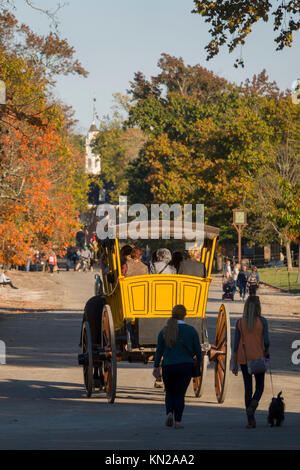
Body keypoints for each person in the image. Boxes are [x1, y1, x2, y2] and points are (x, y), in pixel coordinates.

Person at [153, 304, 202, 429]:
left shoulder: (164, 331)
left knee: (169, 392)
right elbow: (198, 351)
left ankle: (169, 413)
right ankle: (178, 422)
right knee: (180, 394)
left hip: (168, 366)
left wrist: (156, 367)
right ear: (185, 315)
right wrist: (199, 363)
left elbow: (159, 351)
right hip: (185, 366)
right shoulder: (191, 330)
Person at [232, 296, 270, 428]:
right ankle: (254, 404)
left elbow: (235, 344)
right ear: (258, 306)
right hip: (258, 357)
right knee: (260, 386)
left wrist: (234, 363)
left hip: (244, 358)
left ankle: (250, 420)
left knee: (248, 388)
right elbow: (266, 342)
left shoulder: (240, 322)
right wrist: (267, 352)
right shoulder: (262, 321)